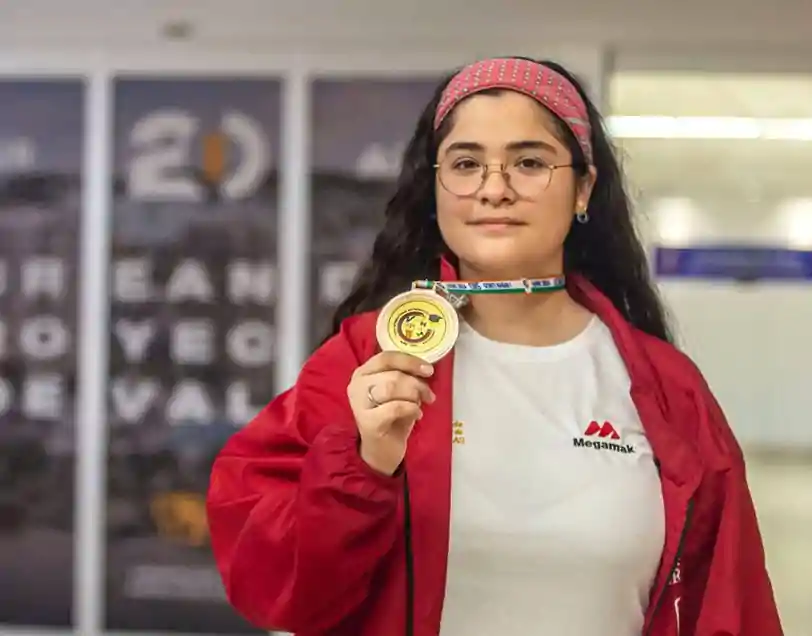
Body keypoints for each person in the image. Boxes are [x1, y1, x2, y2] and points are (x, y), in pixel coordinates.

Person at [206, 56, 782, 636]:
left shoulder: (666, 389)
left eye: (529, 163)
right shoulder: (368, 363)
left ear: (583, 189)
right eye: (466, 164)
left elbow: (729, 607)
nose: (494, 189)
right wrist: (364, 465)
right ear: (436, 188)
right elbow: (281, 589)